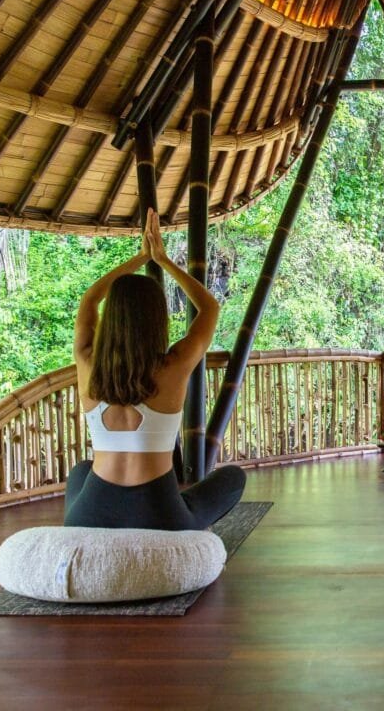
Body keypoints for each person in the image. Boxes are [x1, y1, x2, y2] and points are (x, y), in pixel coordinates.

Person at [64, 208, 245, 530]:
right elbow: (209, 307)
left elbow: (89, 301)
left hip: (89, 517)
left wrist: (138, 259)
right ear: (157, 320)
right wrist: (161, 260)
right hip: (159, 516)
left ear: (112, 318)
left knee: (82, 470)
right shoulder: (173, 366)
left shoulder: (87, 361)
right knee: (232, 478)